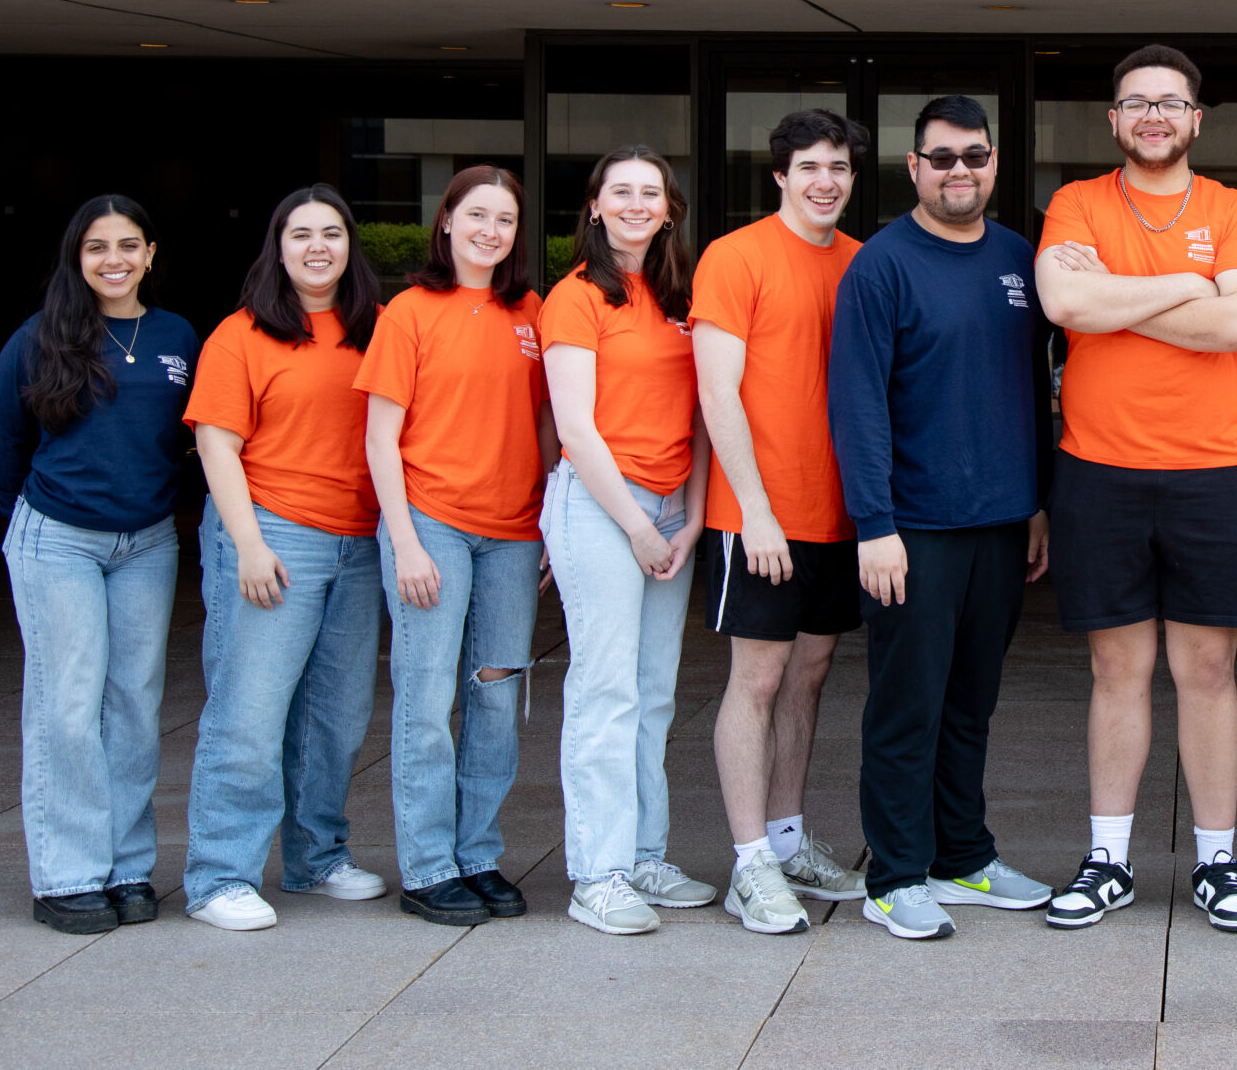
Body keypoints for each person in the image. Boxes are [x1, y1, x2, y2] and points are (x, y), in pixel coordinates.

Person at [1036, 44, 1237, 934]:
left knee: (1207, 667)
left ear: (1195, 120)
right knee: (1117, 667)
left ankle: (1217, 860)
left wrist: (1122, 293)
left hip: (1216, 470)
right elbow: (1067, 307)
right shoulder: (1077, 202)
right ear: (1113, 119)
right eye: (1135, 102)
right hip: (1100, 469)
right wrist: (1186, 285)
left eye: (1169, 103)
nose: (1152, 116)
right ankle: (1109, 858)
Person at [829, 96, 1058, 940]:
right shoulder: (882, 265)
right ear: (915, 168)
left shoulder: (1016, 257)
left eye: (974, 156)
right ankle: (893, 874)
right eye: (941, 158)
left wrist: (1035, 501)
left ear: (993, 163)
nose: (959, 170)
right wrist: (874, 521)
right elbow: (856, 404)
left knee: (971, 700)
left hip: (1001, 520)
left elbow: (1033, 390)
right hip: (913, 526)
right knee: (908, 704)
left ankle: (961, 855)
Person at [0, 195, 198, 935]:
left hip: (148, 541)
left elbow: (192, 443)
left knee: (134, 703)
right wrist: (33, 524)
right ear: (78, 257)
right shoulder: (40, 338)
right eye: (98, 247)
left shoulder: (175, 336)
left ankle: (128, 864)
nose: (114, 260)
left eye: (128, 245)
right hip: (59, 538)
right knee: (67, 704)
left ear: (150, 253)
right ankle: (69, 874)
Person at [182, 186, 388, 931]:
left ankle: (316, 855)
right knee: (250, 711)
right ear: (278, 247)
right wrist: (248, 544)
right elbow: (216, 444)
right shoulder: (240, 335)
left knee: (336, 715)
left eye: (331, 233)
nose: (317, 247)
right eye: (300, 234)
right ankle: (219, 875)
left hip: (359, 542)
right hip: (273, 532)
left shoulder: (376, 328)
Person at [356, 165, 556, 928]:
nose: (490, 231)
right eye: (477, 215)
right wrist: (404, 540)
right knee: (428, 695)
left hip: (511, 531)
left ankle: (477, 853)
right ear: (446, 221)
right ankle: (428, 865)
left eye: (505, 219)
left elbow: (543, 424)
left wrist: (546, 520)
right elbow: (380, 436)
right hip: (430, 522)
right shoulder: (409, 310)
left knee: (496, 696)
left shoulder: (530, 311)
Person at [694, 109, 871, 934]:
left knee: (809, 675)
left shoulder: (862, 264)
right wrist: (756, 511)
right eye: (808, 166)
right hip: (758, 516)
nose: (825, 180)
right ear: (780, 176)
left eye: (838, 166)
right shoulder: (735, 257)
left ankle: (791, 835)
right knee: (758, 680)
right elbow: (717, 391)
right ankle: (750, 862)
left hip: (836, 514)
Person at [541, 147, 714, 936]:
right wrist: (641, 525)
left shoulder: (682, 294)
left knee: (653, 692)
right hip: (602, 506)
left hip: (671, 507)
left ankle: (645, 853)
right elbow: (574, 427)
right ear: (596, 206)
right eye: (623, 192)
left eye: (652, 192)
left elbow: (706, 412)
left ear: (669, 209)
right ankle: (598, 873)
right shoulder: (576, 296)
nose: (638, 203)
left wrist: (693, 514)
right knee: (606, 691)